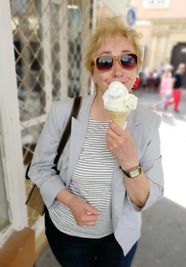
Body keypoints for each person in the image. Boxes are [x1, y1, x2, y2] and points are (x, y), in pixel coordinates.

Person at [28, 16, 164, 267]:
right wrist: (71, 201)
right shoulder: (63, 112)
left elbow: (147, 197)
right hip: (67, 231)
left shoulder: (148, 122)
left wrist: (129, 162)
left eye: (127, 59)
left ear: (136, 68)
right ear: (92, 70)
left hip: (119, 236)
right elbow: (39, 168)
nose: (117, 69)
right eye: (104, 61)